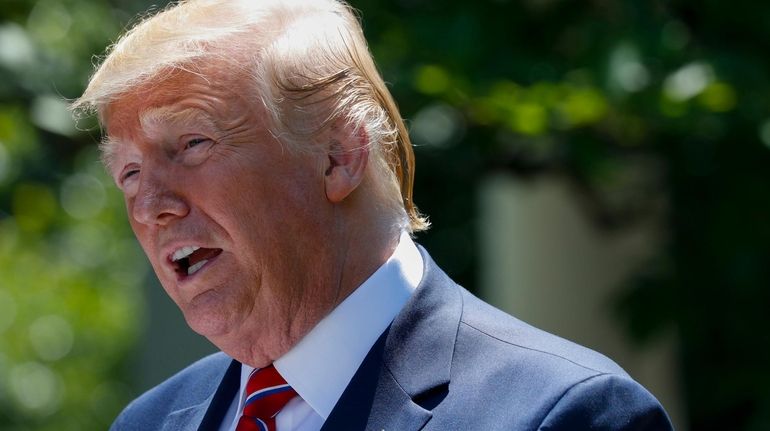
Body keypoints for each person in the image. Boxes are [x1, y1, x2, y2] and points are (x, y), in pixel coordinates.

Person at [73, 0, 673, 429]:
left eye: (192, 145)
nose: (152, 207)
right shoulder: (150, 420)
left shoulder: (563, 413)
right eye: (128, 173)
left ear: (340, 154)